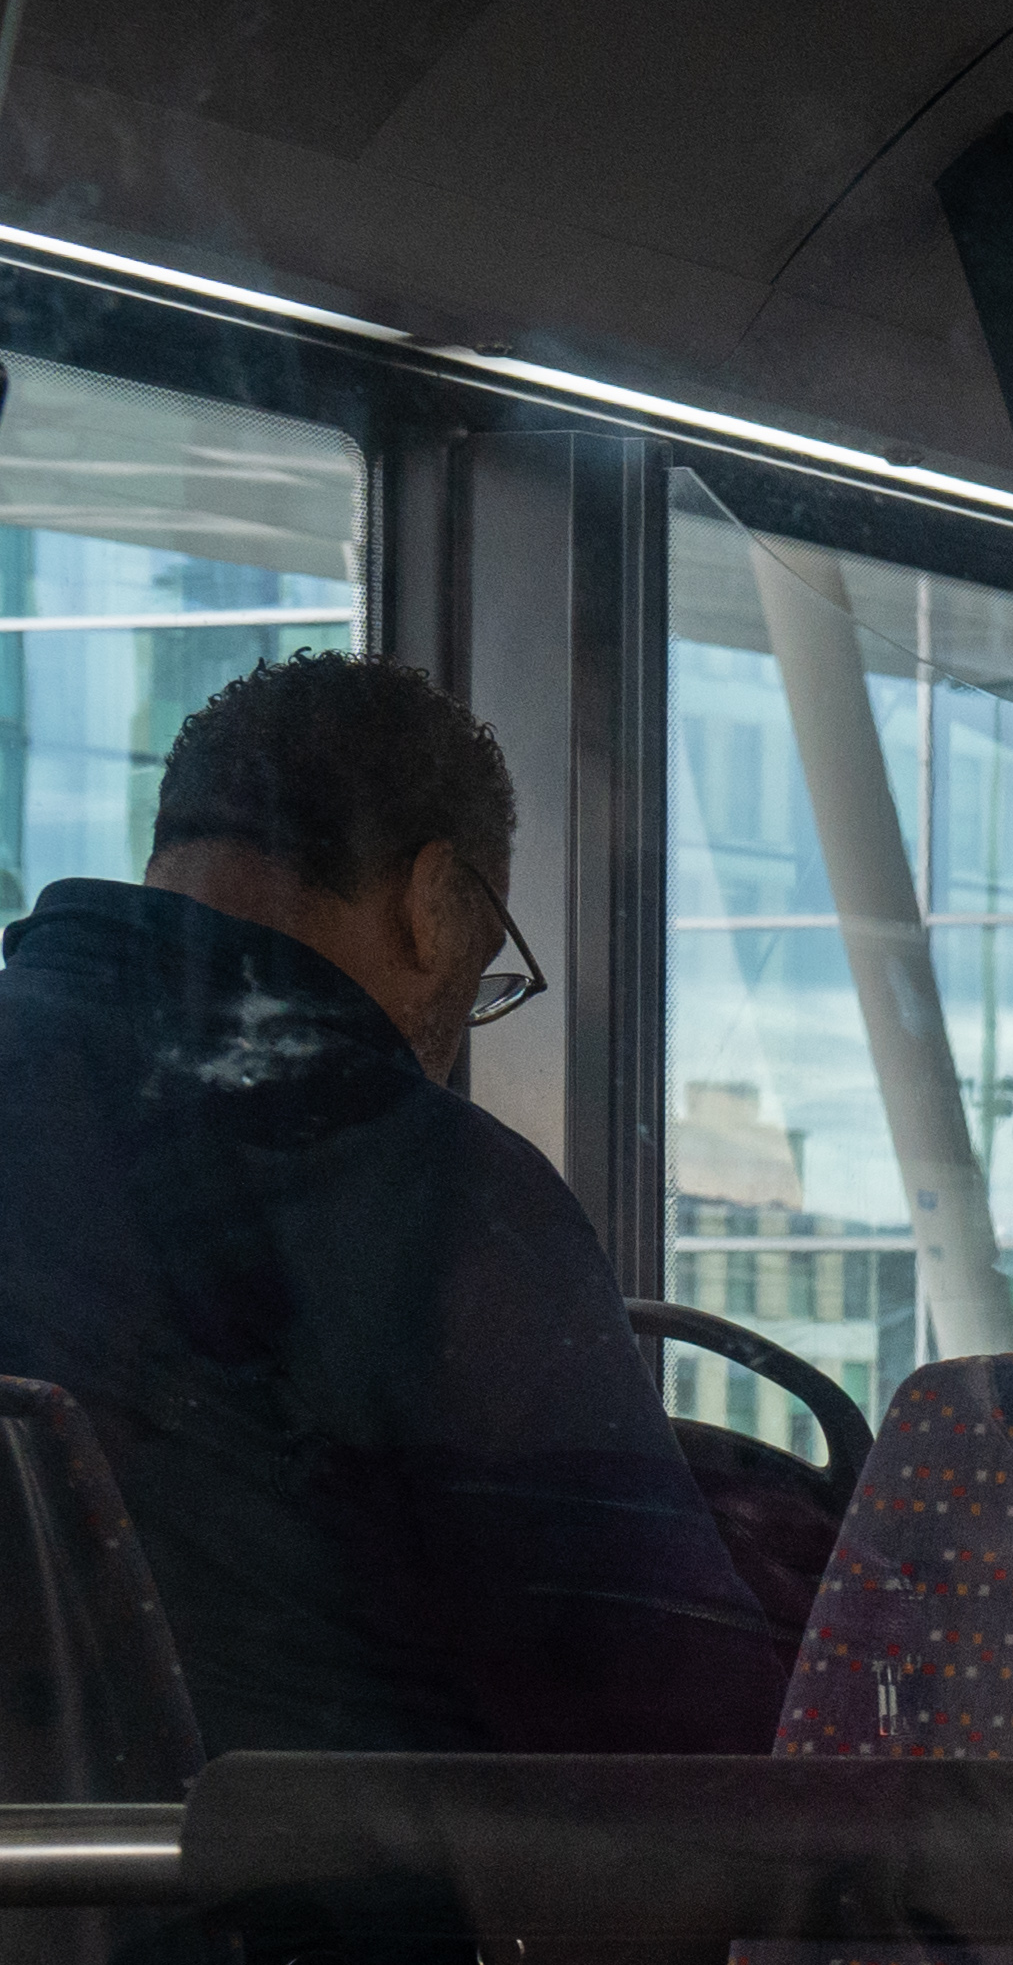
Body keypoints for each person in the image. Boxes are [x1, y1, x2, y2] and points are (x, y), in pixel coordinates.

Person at [0, 655, 786, 1766]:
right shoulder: (431, 1187)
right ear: (431, 899)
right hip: (283, 1918)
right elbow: (675, 1714)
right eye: (486, 974)